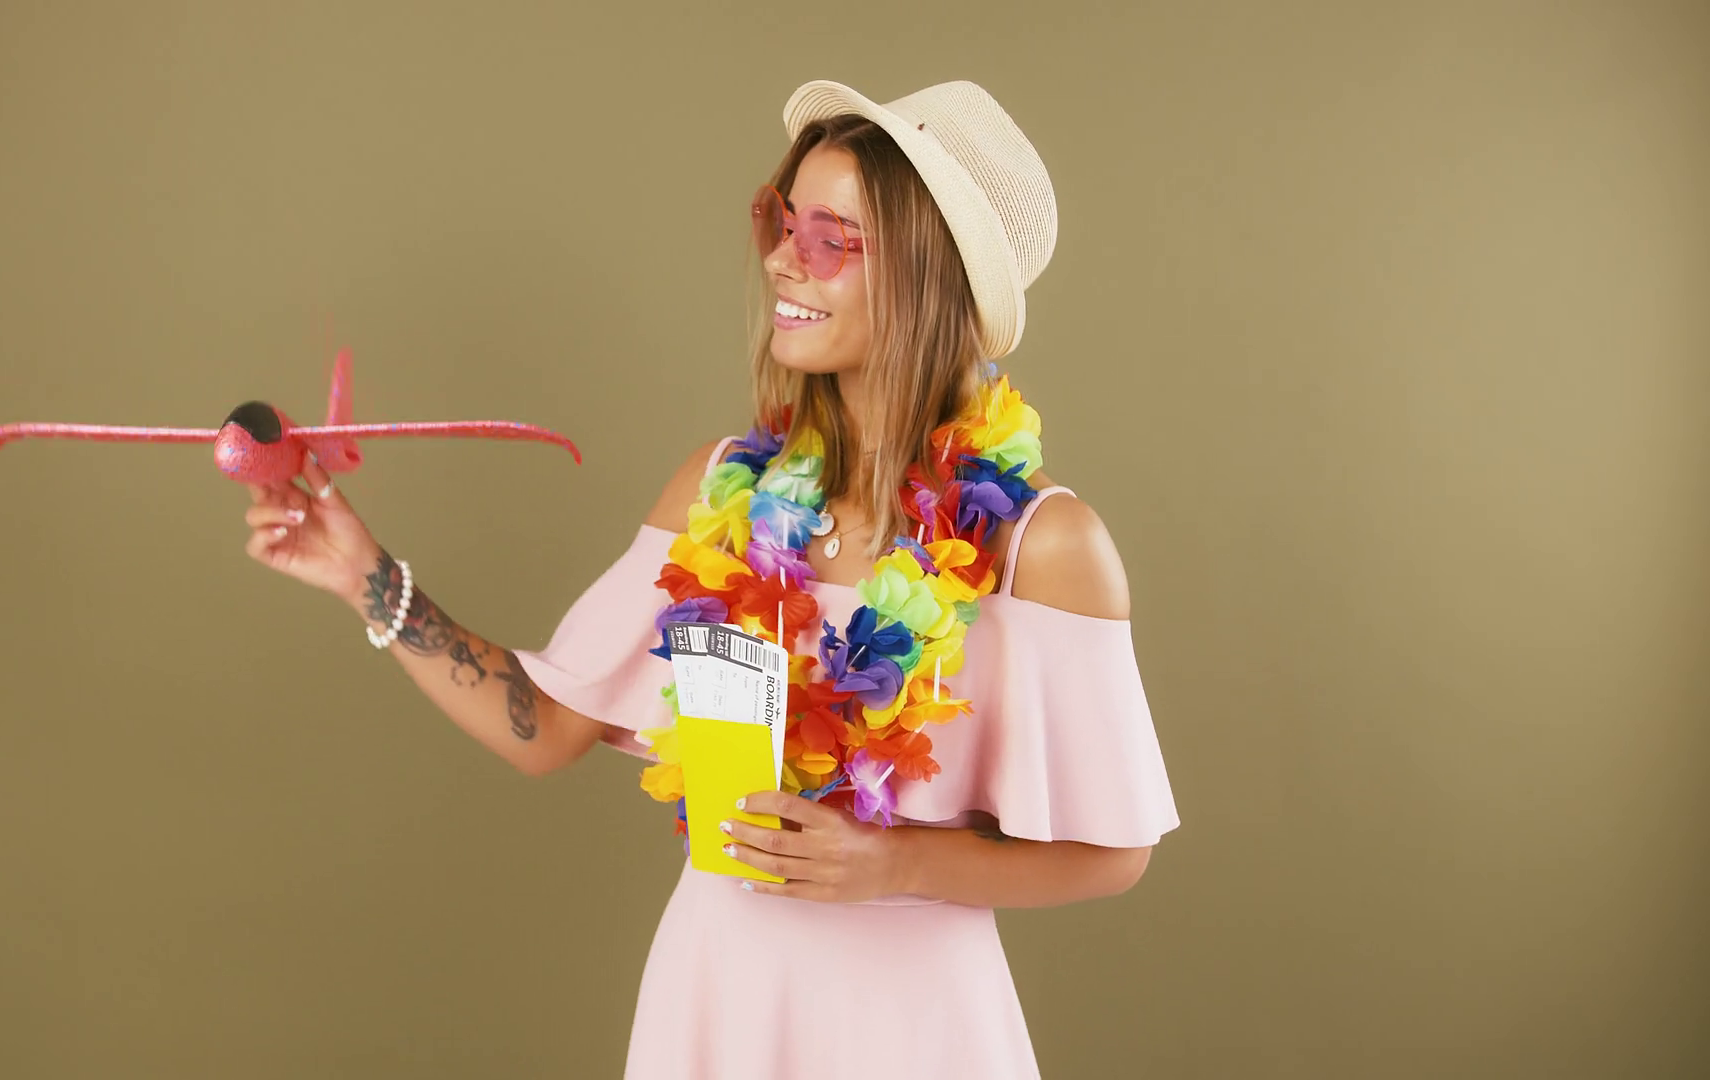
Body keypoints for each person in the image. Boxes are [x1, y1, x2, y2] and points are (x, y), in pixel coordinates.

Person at [239, 78, 1179, 1079]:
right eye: (783, 221)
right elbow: (546, 726)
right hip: (720, 998)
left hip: (913, 1022)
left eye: (830, 238)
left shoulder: (1042, 547)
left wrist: (891, 862)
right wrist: (362, 573)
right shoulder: (722, 493)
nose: (781, 257)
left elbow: (1115, 851)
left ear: (925, 275)